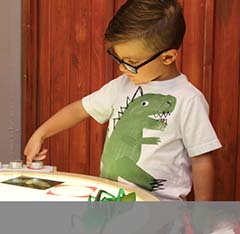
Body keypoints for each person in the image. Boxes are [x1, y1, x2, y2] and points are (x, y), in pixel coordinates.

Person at [24, 0, 221, 201]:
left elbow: (202, 160)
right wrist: (41, 133)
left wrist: (202, 214)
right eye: (119, 59)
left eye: (132, 63)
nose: (122, 68)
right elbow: (78, 110)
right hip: (113, 202)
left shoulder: (189, 100)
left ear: (168, 57)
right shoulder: (122, 86)